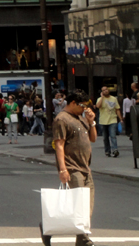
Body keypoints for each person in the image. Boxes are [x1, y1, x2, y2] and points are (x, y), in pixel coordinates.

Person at [42, 89, 98, 246]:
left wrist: (91, 121)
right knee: (77, 205)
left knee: (87, 207)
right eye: (82, 105)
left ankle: (78, 237)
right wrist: (63, 169)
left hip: (86, 167)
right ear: (73, 103)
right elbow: (59, 145)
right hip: (72, 168)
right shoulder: (62, 119)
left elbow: (93, 138)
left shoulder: (80, 118)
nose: (84, 109)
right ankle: (83, 239)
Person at [95, 86, 123, 158]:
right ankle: (107, 151)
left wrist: (121, 119)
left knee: (113, 135)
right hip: (103, 121)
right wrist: (101, 97)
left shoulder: (114, 99)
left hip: (112, 119)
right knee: (105, 137)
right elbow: (98, 106)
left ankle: (115, 150)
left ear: (108, 90)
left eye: (106, 89)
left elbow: (117, 109)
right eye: (103, 90)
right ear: (102, 92)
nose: (105, 91)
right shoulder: (99, 99)